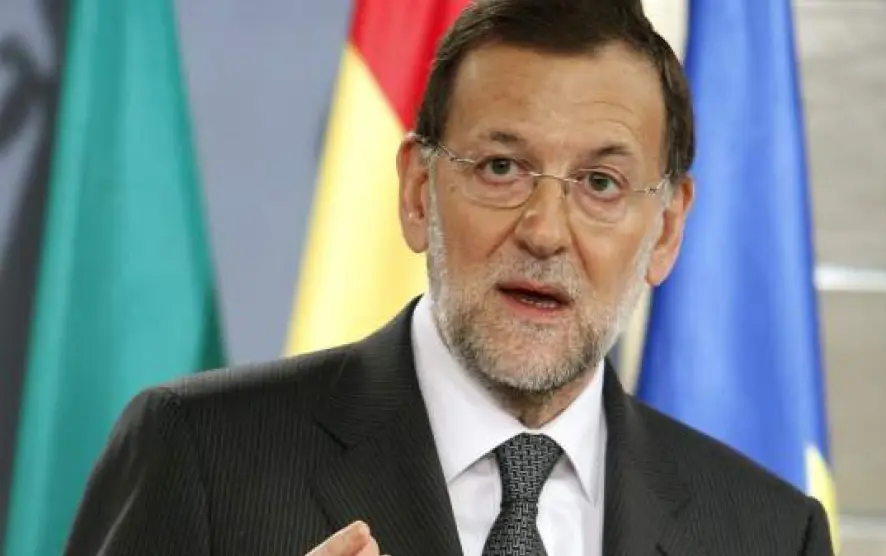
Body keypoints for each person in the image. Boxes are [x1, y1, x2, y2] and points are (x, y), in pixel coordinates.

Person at [65, 0, 834, 555]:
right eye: (501, 168)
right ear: (417, 192)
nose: (544, 230)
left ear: (665, 229)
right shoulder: (200, 456)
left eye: (600, 183)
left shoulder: (768, 533)